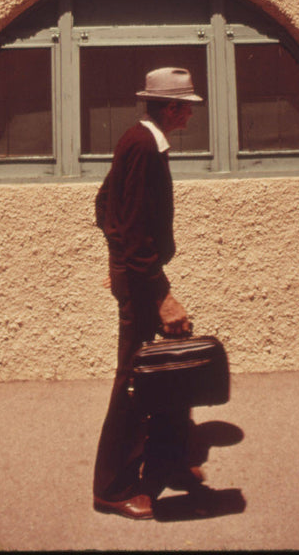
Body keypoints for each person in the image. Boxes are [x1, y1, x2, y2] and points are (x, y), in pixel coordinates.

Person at [92, 66, 204, 520]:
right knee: (134, 379)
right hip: (142, 279)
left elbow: (104, 205)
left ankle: (170, 458)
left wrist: (117, 259)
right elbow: (132, 226)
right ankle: (112, 487)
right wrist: (158, 292)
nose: (191, 115)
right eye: (188, 107)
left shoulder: (143, 142)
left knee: (168, 366)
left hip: (137, 272)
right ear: (171, 107)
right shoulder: (142, 145)